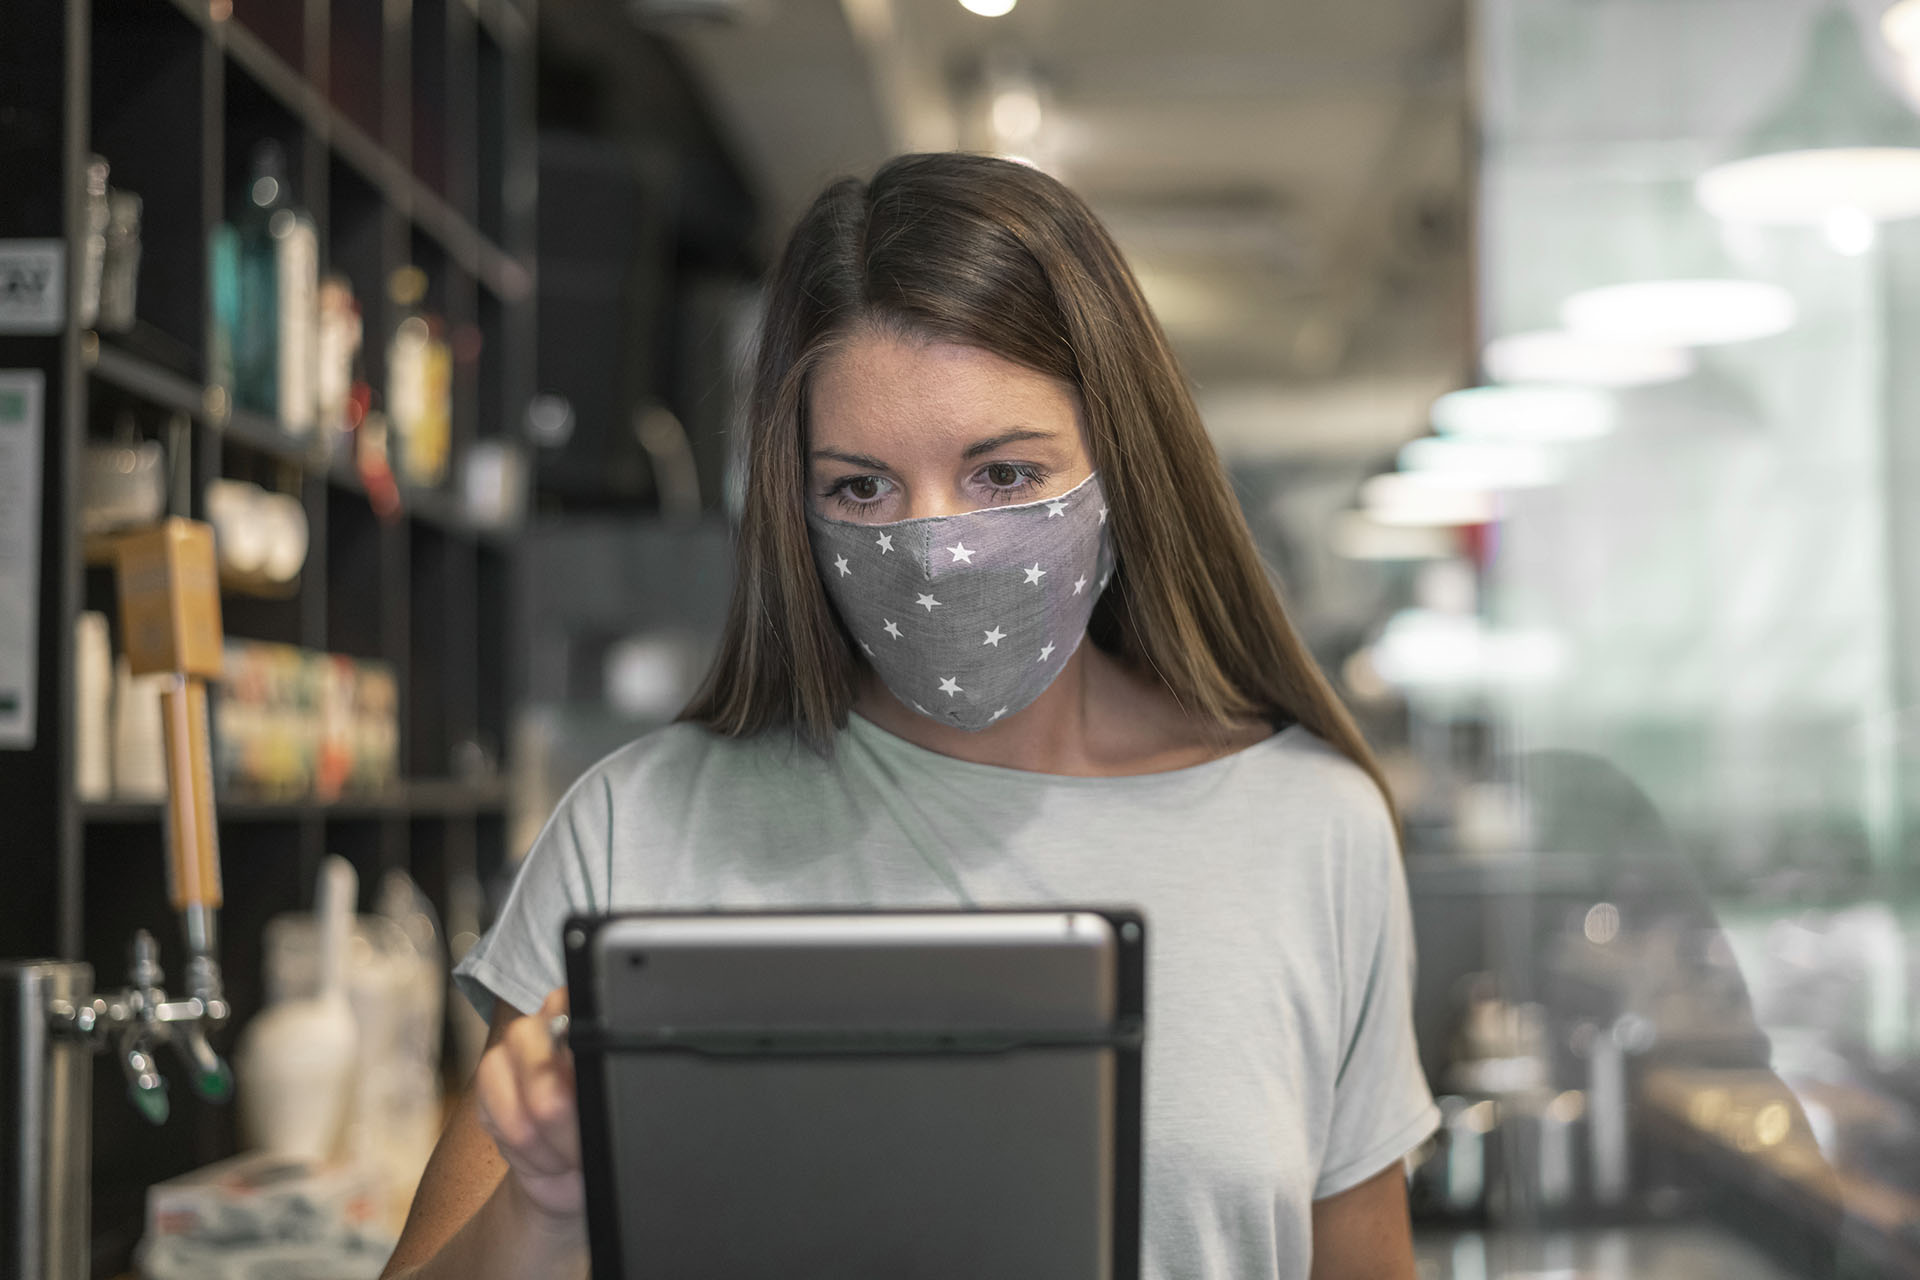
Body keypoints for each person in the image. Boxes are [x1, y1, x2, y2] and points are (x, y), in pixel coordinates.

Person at [381, 151, 1438, 1280]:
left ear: (1123, 459)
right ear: (797, 505)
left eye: (1003, 474)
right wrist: (542, 1215)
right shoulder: (635, 829)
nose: (933, 544)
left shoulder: (1310, 829)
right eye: (861, 487)